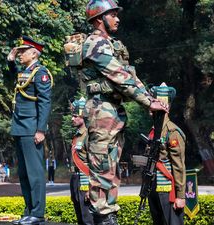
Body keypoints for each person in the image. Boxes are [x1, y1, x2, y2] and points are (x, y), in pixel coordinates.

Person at [81, 1, 169, 224]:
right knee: (102, 166)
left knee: (111, 166)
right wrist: (148, 103)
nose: (117, 18)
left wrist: (150, 100)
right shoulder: (95, 44)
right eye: (112, 14)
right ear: (99, 18)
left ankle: (109, 213)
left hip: (113, 111)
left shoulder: (111, 44)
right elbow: (120, 76)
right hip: (101, 112)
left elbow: (130, 74)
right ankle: (103, 215)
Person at [7, 35, 53, 225]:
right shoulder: (26, 72)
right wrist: (10, 60)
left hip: (31, 129)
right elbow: (15, 76)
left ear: (34, 53)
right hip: (19, 128)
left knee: (35, 173)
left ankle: (38, 213)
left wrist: (41, 130)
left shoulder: (41, 73)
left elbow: (45, 103)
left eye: (23, 51)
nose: (20, 54)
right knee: (24, 174)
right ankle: (29, 210)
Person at [147, 83, 186, 225]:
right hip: (153, 186)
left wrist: (180, 196)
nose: (150, 105)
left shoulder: (172, 131)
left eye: (153, 100)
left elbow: (179, 165)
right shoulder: (154, 130)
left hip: (167, 188)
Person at [69, 97, 94, 225]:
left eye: (75, 116)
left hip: (85, 181)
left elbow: (95, 164)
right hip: (75, 180)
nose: (72, 119)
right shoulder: (77, 135)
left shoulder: (90, 135)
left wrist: (91, 187)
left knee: (87, 219)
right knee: (80, 219)